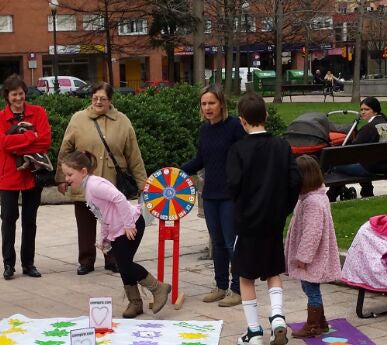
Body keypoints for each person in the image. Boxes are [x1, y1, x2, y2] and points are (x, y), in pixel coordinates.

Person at [226, 92, 301, 345]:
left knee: (245, 277)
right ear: (266, 116)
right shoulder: (282, 146)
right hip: (273, 220)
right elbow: (295, 181)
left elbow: (232, 185)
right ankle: (277, 315)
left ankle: (254, 332)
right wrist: (283, 209)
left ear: (242, 121)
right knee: (272, 272)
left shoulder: (238, 149)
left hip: (247, 222)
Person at [61, 151, 170, 318]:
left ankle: (158, 288)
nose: (67, 179)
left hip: (130, 225)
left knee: (125, 264)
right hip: (118, 229)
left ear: (83, 171)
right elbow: (102, 214)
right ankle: (135, 302)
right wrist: (104, 238)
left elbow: (119, 198)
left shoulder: (94, 185)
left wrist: (128, 225)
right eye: (66, 175)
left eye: (70, 174)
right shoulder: (88, 188)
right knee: (122, 264)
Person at [56, 82, 147, 276]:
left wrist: (143, 184)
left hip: (111, 181)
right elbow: (65, 150)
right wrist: (61, 178)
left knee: (114, 223)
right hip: (83, 182)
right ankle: (86, 260)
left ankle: (112, 258)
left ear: (110, 100)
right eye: (95, 98)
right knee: (85, 222)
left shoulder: (122, 121)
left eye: (103, 99)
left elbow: (134, 155)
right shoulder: (78, 119)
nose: (98, 101)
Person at [180, 85, 245, 307]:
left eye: (212, 103)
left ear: (222, 104)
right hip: (210, 195)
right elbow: (201, 160)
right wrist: (177, 172)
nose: (207, 108)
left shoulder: (234, 126)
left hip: (230, 195)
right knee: (216, 243)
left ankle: (238, 289)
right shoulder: (204, 129)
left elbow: (245, 157)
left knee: (230, 242)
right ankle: (220, 286)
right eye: (204, 104)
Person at [0, 75, 52, 280]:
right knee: (8, 219)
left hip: (32, 174)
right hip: (8, 174)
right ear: (7, 97)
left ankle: (29, 263)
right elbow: (3, 144)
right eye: (13, 94)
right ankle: (8, 264)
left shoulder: (39, 112)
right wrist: (31, 137)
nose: (18, 98)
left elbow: (44, 142)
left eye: (21, 93)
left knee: (30, 220)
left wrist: (19, 141)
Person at [284, 155, 341, 338]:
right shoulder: (313, 197)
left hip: (312, 257)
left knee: (311, 289)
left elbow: (312, 233)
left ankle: (313, 325)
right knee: (310, 288)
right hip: (313, 255)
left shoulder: (312, 202)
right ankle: (321, 321)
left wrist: (303, 257)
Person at [328, 96, 387, 201]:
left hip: (373, 168)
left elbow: (352, 150)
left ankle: (331, 195)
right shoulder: (385, 123)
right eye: (361, 109)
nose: (363, 112)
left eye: (366, 109)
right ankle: (367, 191)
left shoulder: (369, 128)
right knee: (361, 161)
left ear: (375, 111)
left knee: (336, 165)